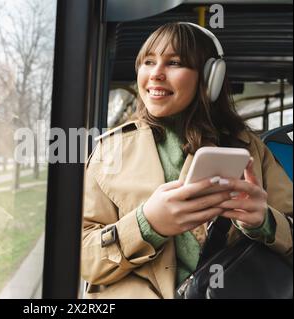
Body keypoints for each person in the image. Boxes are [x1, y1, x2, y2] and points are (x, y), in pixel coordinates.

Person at [81, 22, 293, 299]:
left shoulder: (249, 148)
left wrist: (264, 221)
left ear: (210, 77)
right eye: (148, 62)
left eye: (174, 63)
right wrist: (147, 225)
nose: (156, 73)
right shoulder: (109, 151)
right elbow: (84, 260)